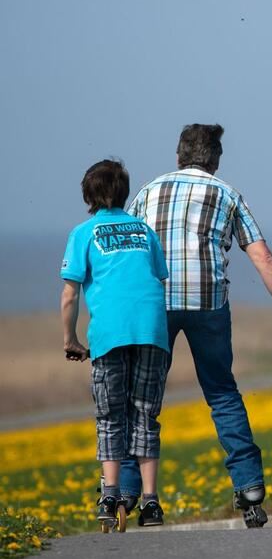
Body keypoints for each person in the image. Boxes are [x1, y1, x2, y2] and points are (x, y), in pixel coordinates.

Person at [120, 123, 272, 528]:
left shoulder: (147, 191)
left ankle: (131, 491)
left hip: (156, 305)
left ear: (179, 155)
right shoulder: (227, 194)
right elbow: (264, 258)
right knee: (222, 394)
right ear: (215, 160)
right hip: (208, 303)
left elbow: (128, 253)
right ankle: (250, 487)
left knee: (143, 399)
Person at [60, 160, 172, 528]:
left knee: (110, 416)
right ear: (124, 192)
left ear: (87, 196)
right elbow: (157, 277)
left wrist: (71, 339)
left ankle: (110, 495)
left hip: (109, 335)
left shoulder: (84, 232)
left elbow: (69, 295)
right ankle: (151, 503)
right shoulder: (143, 230)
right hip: (152, 331)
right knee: (144, 415)